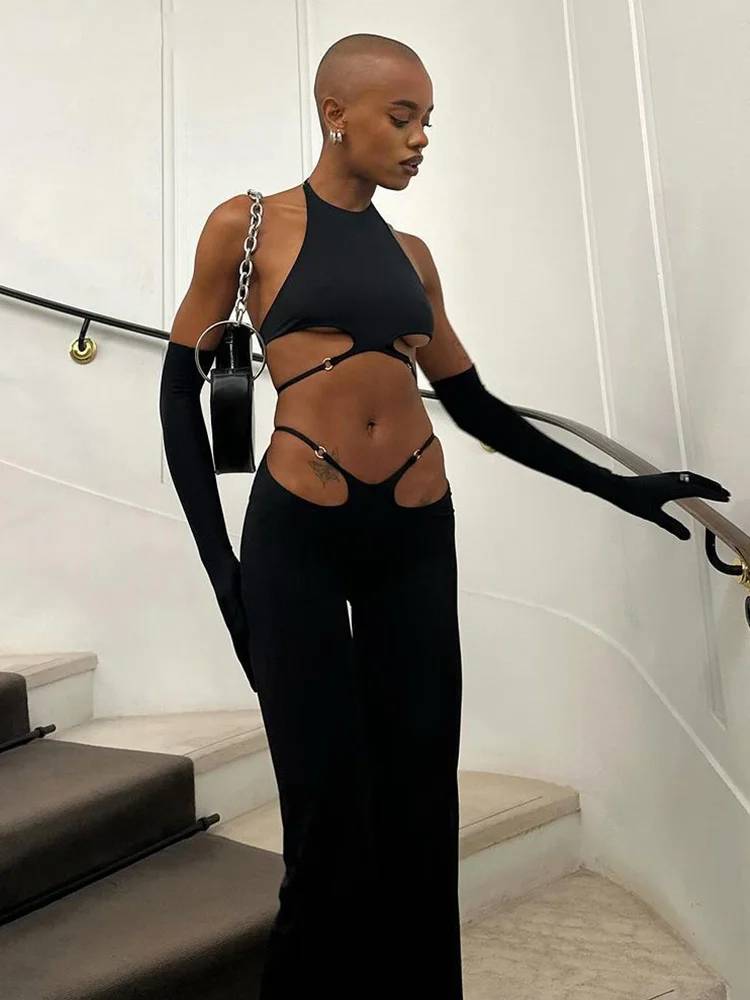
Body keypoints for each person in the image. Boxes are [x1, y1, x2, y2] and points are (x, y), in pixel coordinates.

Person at [159, 32, 731, 1000]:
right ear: (335, 115)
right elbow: (183, 396)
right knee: (325, 824)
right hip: (296, 538)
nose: (422, 138)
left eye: (428, 120)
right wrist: (227, 577)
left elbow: (477, 409)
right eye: (403, 117)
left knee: (422, 816)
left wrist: (618, 487)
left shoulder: (413, 258)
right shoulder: (248, 224)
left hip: (417, 536)